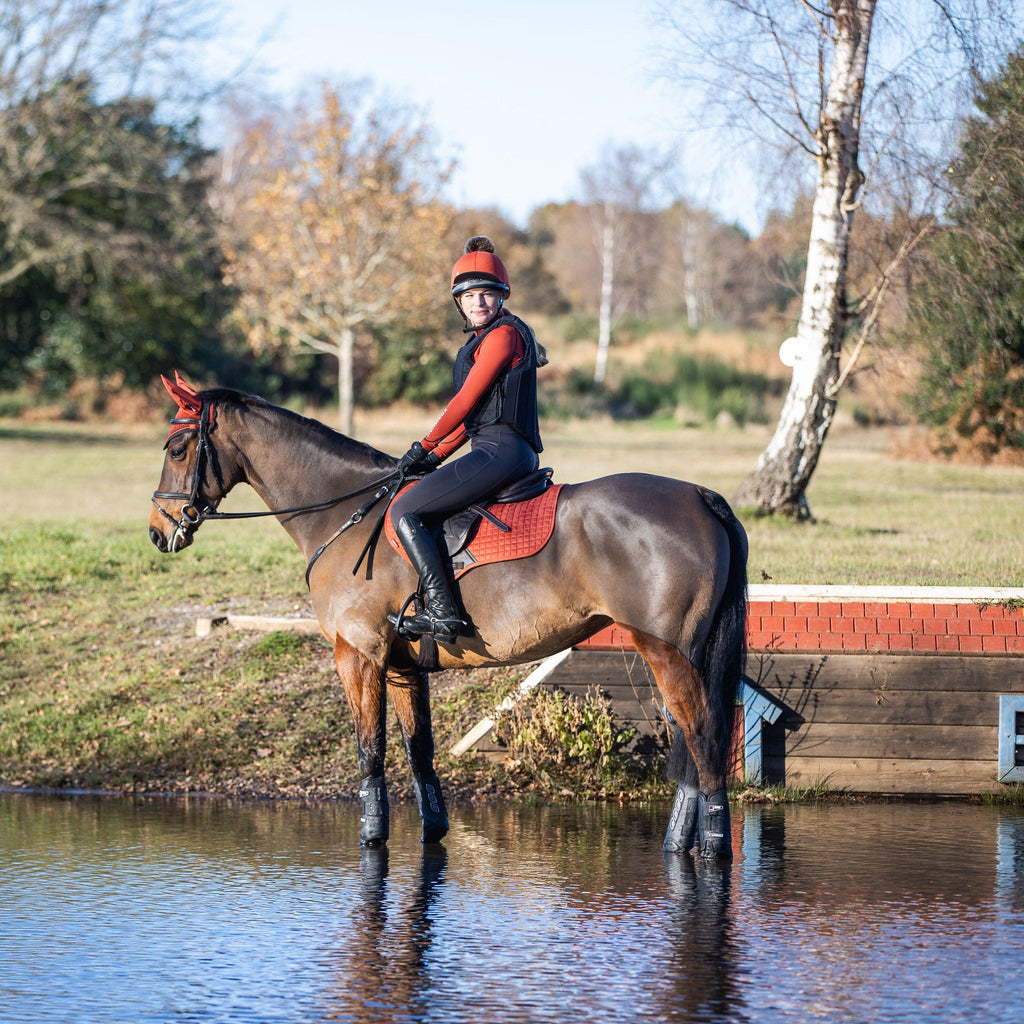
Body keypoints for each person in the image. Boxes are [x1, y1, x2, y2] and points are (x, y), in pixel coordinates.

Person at [388, 235, 544, 644]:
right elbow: (472, 421)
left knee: (405, 510)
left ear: (502, 296)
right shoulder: (482, 339)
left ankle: (442, 612)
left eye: (487, 294)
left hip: (502, 451)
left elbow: (465, 402)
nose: (479, 302)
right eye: (470, 296)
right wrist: (431, 457)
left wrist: (425, 444)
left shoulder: (503, 336)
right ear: (459, 301)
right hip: (495, 448)